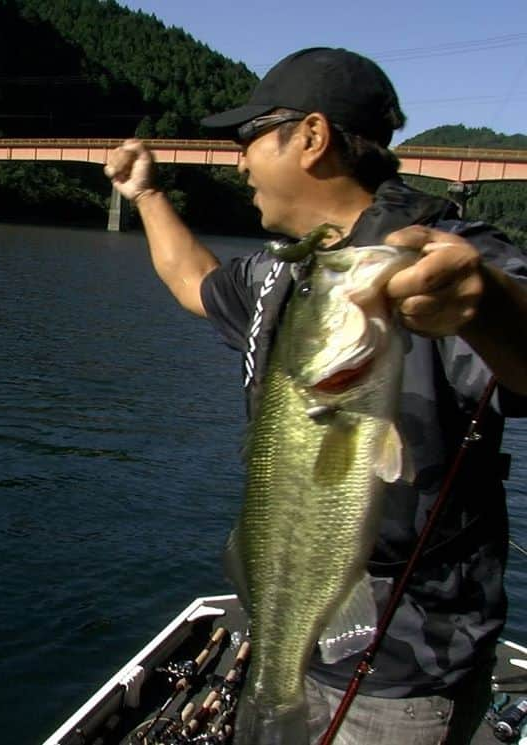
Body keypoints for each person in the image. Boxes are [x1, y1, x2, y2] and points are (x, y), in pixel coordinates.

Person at [105, 47, 527, 744]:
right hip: (287, 626)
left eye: (247, 141)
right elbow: (193, 279)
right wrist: (146, 193)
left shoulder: (439, 256)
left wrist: (485, 305)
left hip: (405, 670)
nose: (238, 163)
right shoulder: (288, 275)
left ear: (311, 136)